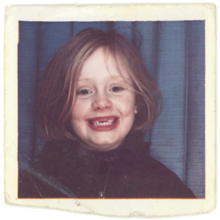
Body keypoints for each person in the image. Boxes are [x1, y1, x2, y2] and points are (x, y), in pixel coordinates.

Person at [19, 28, 195, 199]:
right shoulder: (33, 186)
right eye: (84, 91)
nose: (101, 103)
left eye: (116, 88)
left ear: (137, 102)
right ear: (64, 105)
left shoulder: (166, 188)